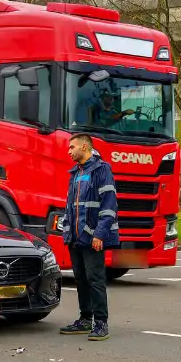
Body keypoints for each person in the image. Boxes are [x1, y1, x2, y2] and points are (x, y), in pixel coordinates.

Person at [58, 133, 118, 341]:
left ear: (84, 147)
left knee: (95, 280)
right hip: (75, 238)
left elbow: (109, 205)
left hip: (93, 237)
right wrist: (67, 232)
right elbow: (69, 206)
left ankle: (101, 323)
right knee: (81, 280)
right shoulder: (75, 172)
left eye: (72, 147)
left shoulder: (102, 170)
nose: (69, 151)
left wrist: (100, 234)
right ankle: (85, 320)